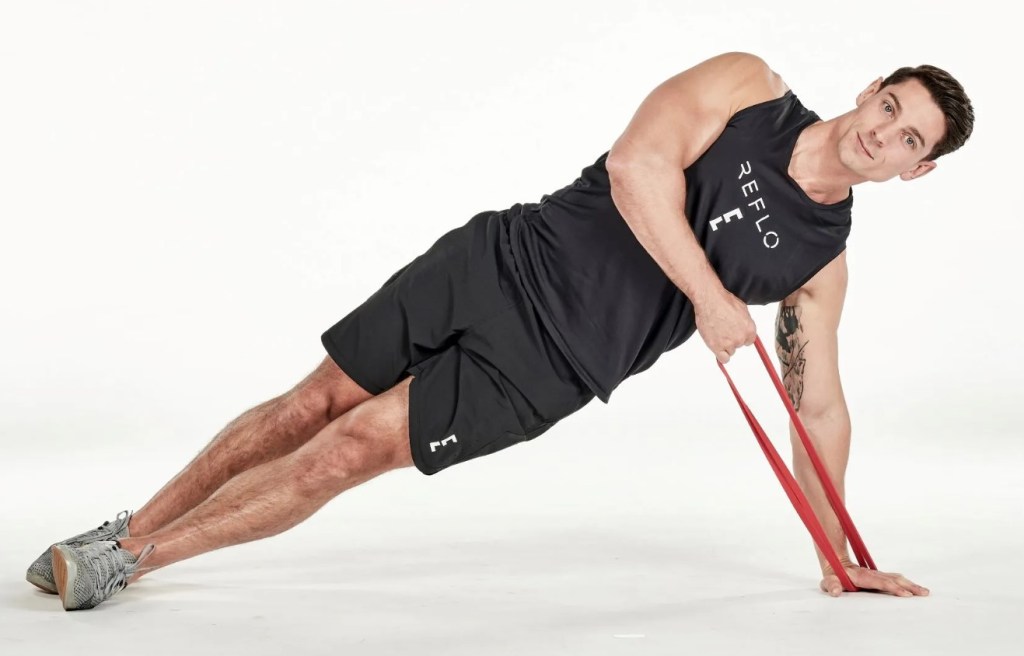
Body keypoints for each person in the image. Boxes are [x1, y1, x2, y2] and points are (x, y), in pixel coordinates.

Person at [29, 51, 974, 610]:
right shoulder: (747, 87)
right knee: (309, 402)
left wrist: (833, 556)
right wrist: (714, 301)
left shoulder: (816, 263)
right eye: (889, 108)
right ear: (869, 88)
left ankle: (133, 563)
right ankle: (128, 525)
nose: (882, 135)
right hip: (496, 259)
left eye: (908, 141)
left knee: (349, 449)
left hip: (549, 366)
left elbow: (819, 407)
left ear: (914, 173)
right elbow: (636, 170)